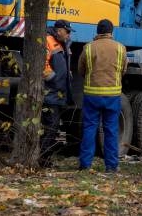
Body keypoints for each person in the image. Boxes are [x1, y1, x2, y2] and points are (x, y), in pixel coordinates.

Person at [77, 18, 127, 172]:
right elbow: (123, 70)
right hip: (112, 96)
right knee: (111, 130)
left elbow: (81, 69)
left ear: (97, 32)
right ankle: (111, 166)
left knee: (90, 129)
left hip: (92, 95)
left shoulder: (88, 48)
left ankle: (85, 165)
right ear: (111, 32)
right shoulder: (121, 48)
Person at [41, 19, 74, 166]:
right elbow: (43, 64)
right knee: (51, 128)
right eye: (67, 32)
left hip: (58, 93)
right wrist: (53, 78)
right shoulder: (48, 41)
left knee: (53, 128)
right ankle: (43, 159)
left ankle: (45, 158)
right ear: (60, 30)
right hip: (51, 93)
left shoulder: (63, 44)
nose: (68, 35)